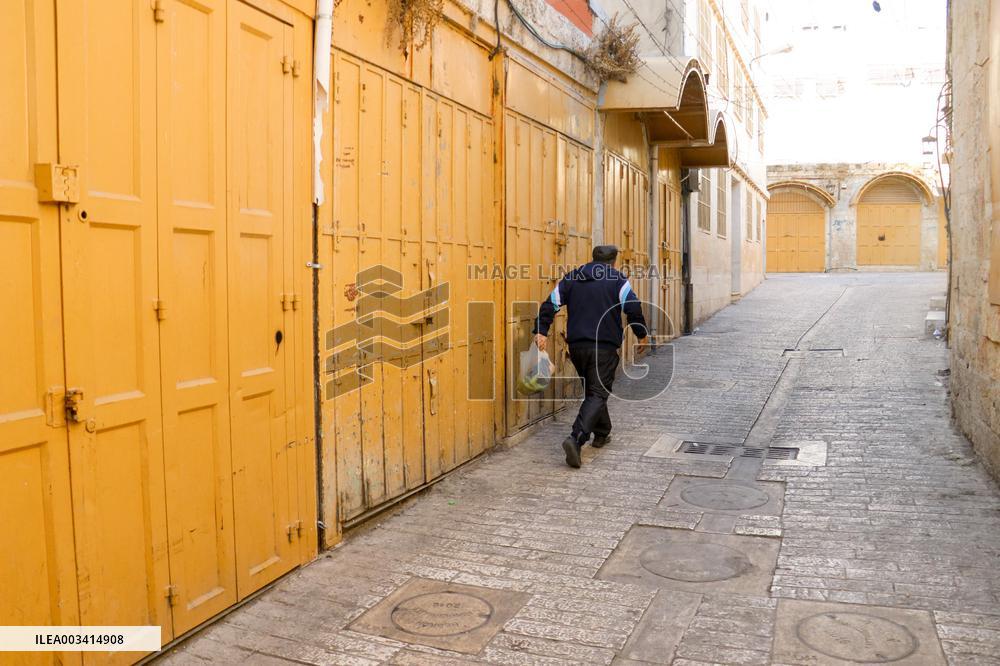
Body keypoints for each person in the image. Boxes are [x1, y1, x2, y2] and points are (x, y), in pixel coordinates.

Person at [533, 245, 649, 468]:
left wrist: (541, 329)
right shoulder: (617, 280)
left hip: (577, 347)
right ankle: (576, 439)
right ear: (613, 261)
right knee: (598, 392)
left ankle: (603, 433)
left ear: (593, 258)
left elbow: (551, 304)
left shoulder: (573, 277)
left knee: (595, 390)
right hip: (603, 347)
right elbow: (633, 307)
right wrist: (641, 334)